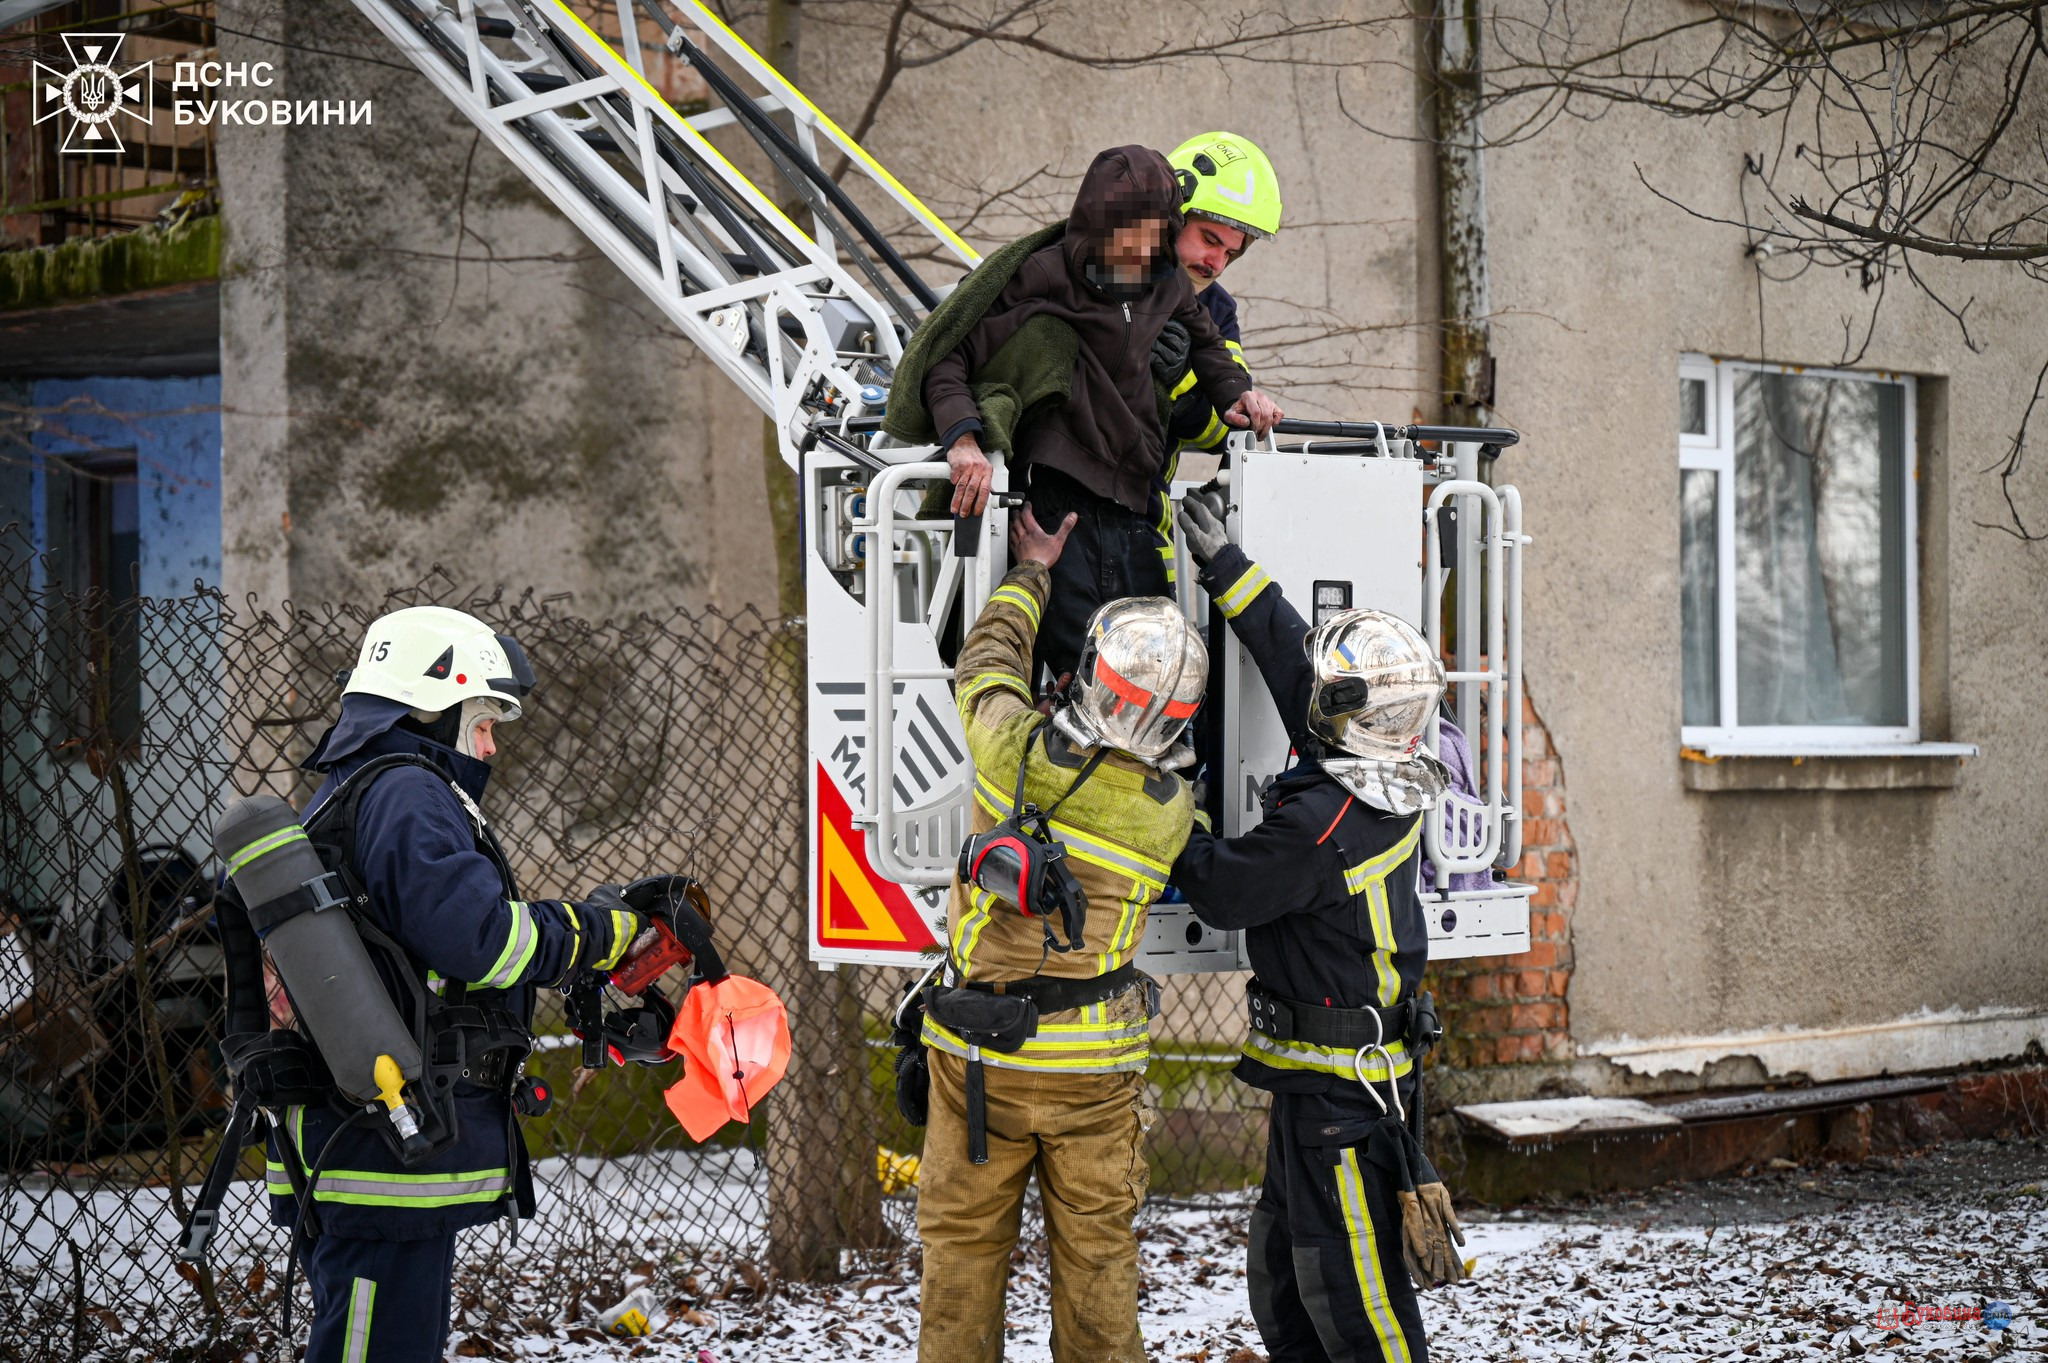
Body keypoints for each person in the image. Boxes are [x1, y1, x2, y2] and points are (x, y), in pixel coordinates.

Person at [270, 607, 657, 1363]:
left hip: (375, 1139)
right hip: (384, 1149)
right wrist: (598, 934)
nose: (489, 747)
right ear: (430, 708)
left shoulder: (358, 788)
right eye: (481, 724)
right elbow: (481, 938)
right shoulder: (408, 794)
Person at [1168, 491, 1469, 1363]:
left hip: (1341, 1104)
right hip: (1328, 1089)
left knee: (1356, 1305)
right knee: (1287, 1283)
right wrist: (1227, 567)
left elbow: (1220, 887)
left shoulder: (1321, 826)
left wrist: (1159, 797)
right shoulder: (1381, 775)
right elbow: (1294, 664)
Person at [913, 505, 1205, 1363]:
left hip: (979, 1058)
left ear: (1091, 676)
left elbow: (986, 661)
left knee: (962, 1252)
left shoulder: (1012, 749)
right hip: (1094, 1073)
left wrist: (1035, 568)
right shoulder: (1169, 814)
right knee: (1098, 1258)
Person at [886, 144, 1284, 687]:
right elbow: (951, 351)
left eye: (1231, 254)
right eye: (1209, 239)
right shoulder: (1048, 273)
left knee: (1160, 684)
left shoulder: (1182, 289)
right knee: (1085, 686)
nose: (1215, 262)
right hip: (1060, 502)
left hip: (1137, 513)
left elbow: (1218, 387)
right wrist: (964, 439)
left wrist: (1227, 392)